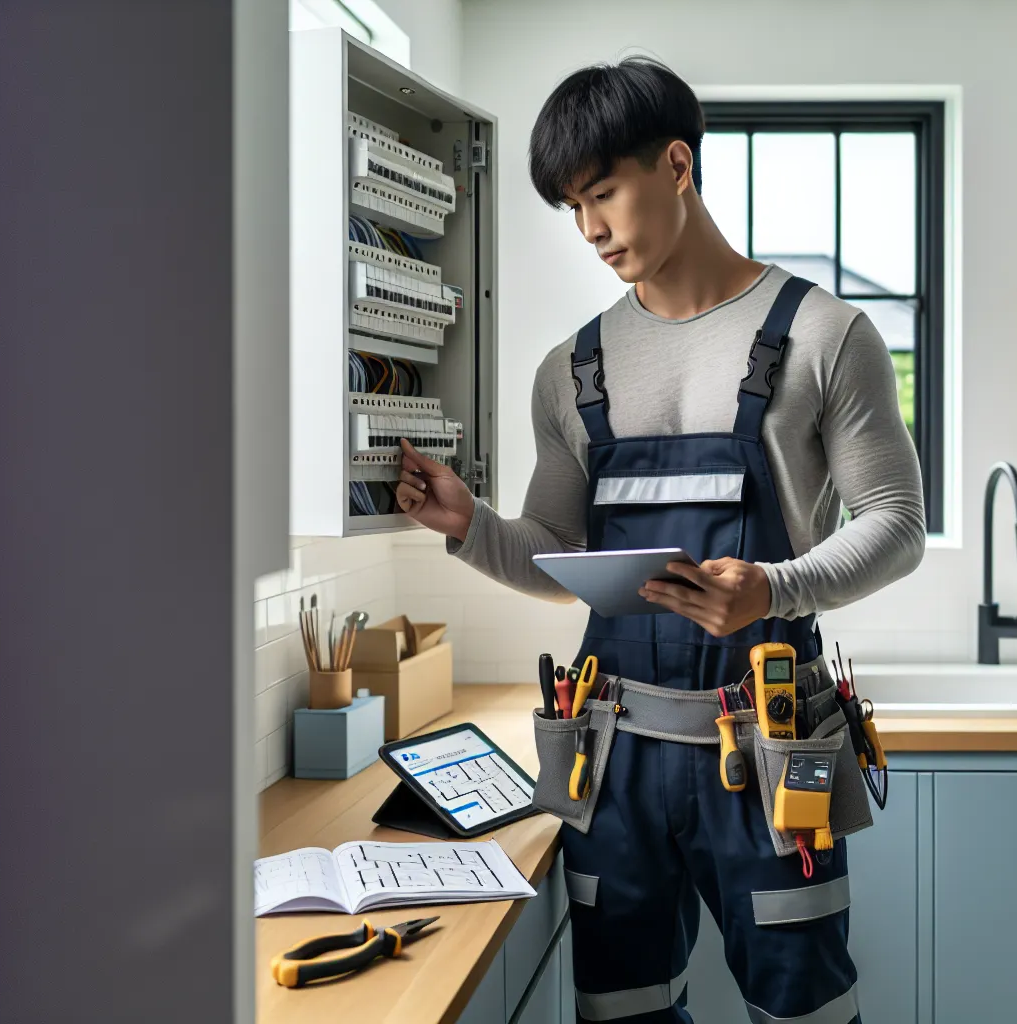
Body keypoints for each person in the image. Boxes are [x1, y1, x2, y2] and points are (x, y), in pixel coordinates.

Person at [396, 56, 924, 1024]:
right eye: (571, 206)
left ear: (677, 165)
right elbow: (556, 552)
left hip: (768, 748)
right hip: (613, 760)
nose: (591, 229)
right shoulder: (572, 368)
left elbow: (896, 525)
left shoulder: (823, 335)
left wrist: (772, 587)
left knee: (803, 1008)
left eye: (604, 191)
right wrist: (470, 528)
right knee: (623, 1009)